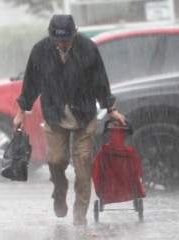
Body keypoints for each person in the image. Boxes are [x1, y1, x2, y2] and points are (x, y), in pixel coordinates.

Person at [13, 14, 125, 226]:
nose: (61, 45)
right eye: (57, 40)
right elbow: (31, 83)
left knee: (83, 162)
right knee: (56, 161)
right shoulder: (40, 50)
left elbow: (100, 80)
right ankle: (59, 194)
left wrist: (111, 109)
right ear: (49, 33)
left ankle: (80, 213)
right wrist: (21, 111)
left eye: (66, 40)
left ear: (75, 32)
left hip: (84, 113)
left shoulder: (88, 48)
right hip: (54, 115)